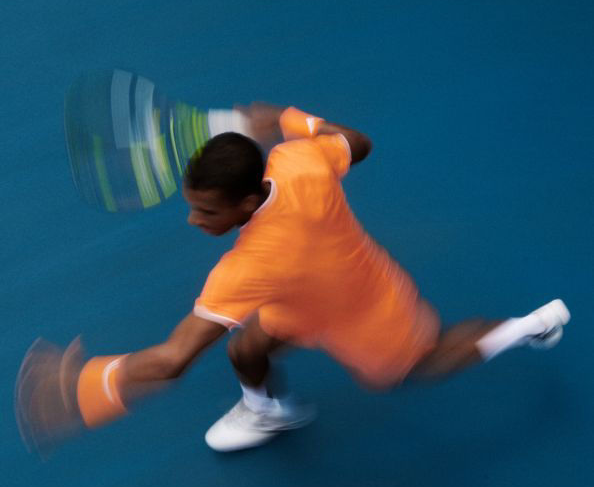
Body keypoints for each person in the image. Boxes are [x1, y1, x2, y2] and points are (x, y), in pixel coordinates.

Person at [18, 104, 571, 454]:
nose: (195, 221)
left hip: (368, 312)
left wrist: (83, 385)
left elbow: (173, 359)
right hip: (312, 293)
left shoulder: (246, 269)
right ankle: (268, 411)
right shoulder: (297, 161)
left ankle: (526, 327)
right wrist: (289, 118)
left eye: (208, 212)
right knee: (247, 351)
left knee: (419, 366)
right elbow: (358, 140)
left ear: (248, 199)